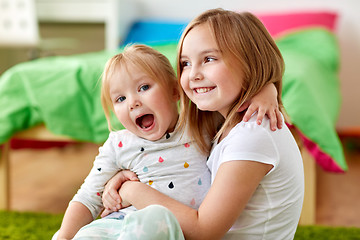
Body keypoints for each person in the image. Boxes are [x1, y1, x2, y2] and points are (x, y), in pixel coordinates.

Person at [106, 9, 304, 240]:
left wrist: (132, 190)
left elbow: (204, 231)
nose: (193, 74)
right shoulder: (226, 127)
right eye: (186, 63)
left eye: (209, 59)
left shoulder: (252, 134)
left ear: (250, 62)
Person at [54, 43, 280, 240]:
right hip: (113, 226)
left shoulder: (199, 123)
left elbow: (234, 102)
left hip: (165, 231)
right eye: (120, 99)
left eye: (144, 88)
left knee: (155, 217)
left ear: (174, 90)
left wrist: (266, 91)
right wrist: (64, 234)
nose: (132, 102)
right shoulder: (118, 144)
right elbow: (87, 198)